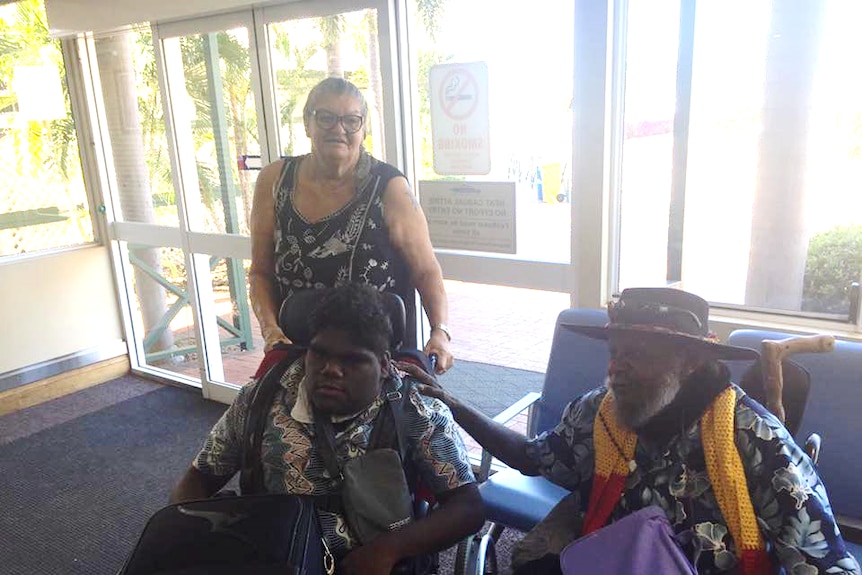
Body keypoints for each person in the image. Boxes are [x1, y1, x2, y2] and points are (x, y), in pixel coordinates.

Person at [409, 287, 862, 574]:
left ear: (691, 361)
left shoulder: (757, 441)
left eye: (637, 354)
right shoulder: (602, 411)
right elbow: (533, 458)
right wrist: (450, 404)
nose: (615, 368)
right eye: (615, 349)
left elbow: (823, 561)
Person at [170, 283, 484, 575]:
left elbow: (467, 508)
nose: (331, 369)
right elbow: (200, 477)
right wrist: (195, 535)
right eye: (320, 354)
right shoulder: (261, 398)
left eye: (352, 360)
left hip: (370, 560)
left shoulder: (416, 409)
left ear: (385, 365)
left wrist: (388, 550)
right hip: (272, 552)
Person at [249, 76, 454, 374]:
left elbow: (425, 269)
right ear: (308, 123)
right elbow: (260, 272)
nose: (338, 129)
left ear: (363, 128)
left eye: (351, 120)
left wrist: (440, 331)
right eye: (326, 118)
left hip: (371, 360)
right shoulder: (274, 180)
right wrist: (270, 331)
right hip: (298, 351)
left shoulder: (390, 187)